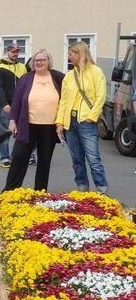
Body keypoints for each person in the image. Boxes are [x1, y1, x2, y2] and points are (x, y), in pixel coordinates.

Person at [3, 49, 65, 191]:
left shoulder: (58, 77)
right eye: (36, 60)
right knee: (19, 158)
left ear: (49, 61)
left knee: (44, 162)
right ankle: (9, 192)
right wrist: (12, 121)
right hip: (27, 125)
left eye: (42, 60)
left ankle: (40, 193)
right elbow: (17, 101)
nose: (39, 63)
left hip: (50, 127)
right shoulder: (26, 78)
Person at [55, 41, 108, 194]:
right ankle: (82, 187)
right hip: (70, 122)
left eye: (71, 53)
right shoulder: (69, 76)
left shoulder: (95, 72)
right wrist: (59, 122)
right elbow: (63, 101)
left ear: (79, 54)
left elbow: (101, 96)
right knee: (77, 158)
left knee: (93, 158)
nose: (68, 56)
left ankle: (101, 188)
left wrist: (92, 116)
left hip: (86, 121)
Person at [0, 43, 28, 168]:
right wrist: (4, 104)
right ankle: (4, 157)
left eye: (17, 51)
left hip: (21, 105)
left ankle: (19, 156)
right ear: (7, 52)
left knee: (23, 131)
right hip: (7, 105)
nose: (15, 53)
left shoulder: (22, 67)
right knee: (6, 132)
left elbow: (26, 86)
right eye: (13, 51)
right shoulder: (0, 68)